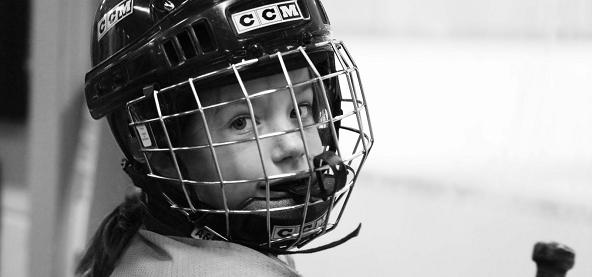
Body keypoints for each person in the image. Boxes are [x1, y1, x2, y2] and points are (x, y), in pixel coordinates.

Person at [77, 0, 374, 276]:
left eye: (301, 110)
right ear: (160, 150)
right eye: (242, 123)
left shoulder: (141, 239)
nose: (293, 146)